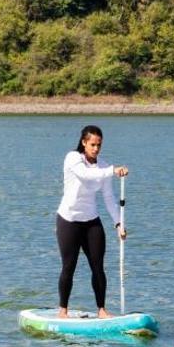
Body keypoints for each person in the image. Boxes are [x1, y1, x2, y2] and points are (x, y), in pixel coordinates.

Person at [57, 126, 129, 319]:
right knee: (69, 266)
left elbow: (108, 198)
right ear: (84, 142)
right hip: (69, 221)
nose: (96, 149)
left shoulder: (103, 167)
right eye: (92, 144)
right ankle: (63, 311)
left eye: (99, 145)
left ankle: (102, 310)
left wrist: (118, 224)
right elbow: (86, 175)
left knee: (98, 267)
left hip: (91, 222)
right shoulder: (73, 158)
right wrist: (112, 170)